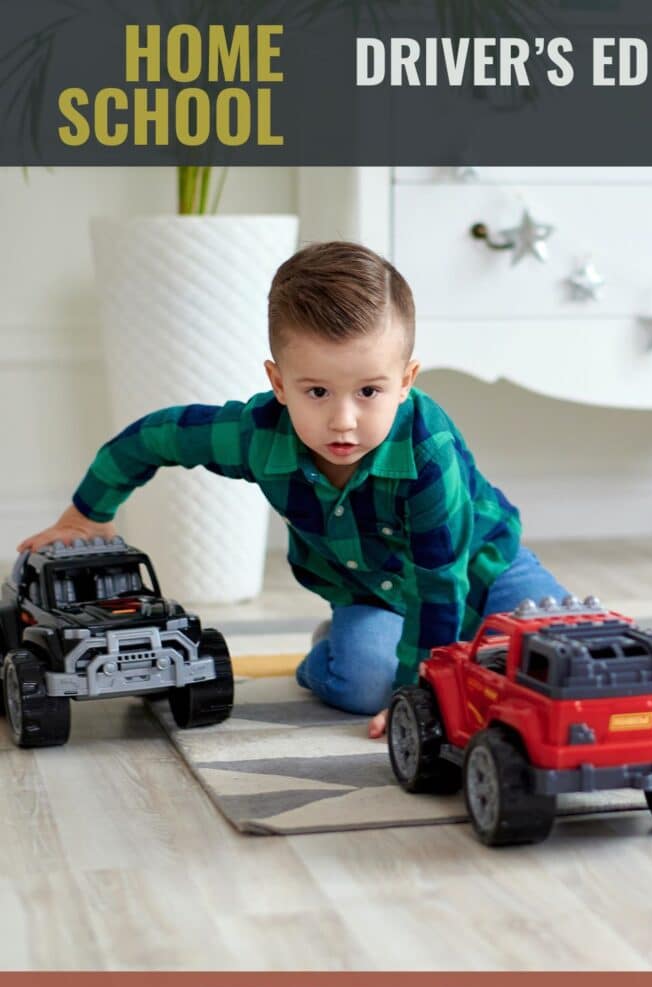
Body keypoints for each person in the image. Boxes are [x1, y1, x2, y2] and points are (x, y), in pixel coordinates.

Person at [18, 241, 568, 739]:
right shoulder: (260, 437)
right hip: (370, 592)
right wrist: (86, 515)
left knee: (558, 646)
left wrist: (423, 694)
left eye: (370, 390)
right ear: (279, 383)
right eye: (318, 392)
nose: (343, 421)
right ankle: (329, 650)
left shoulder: (427, 453)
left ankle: (466, 656)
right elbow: (152, 438)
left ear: (406, 381)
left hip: (481, 566)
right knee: (365, 685)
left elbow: (440, 584)